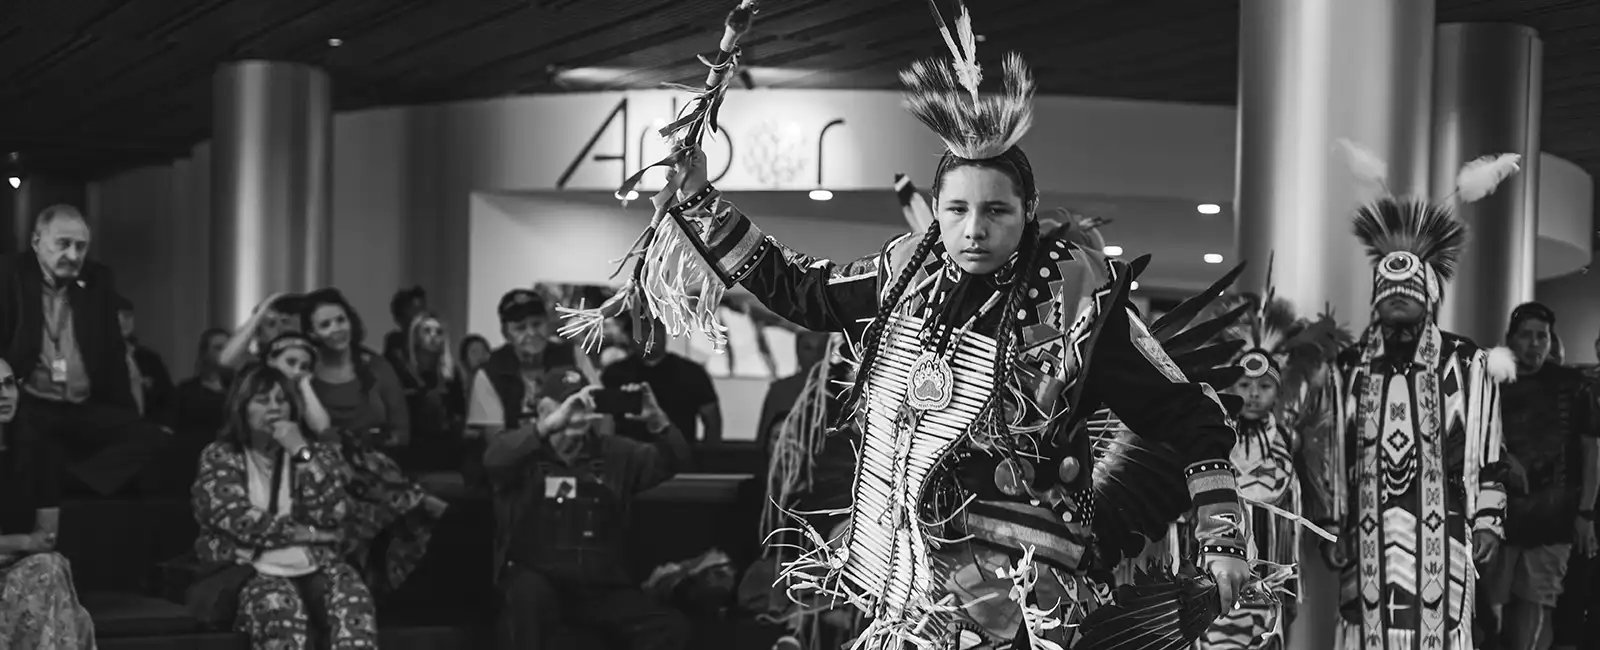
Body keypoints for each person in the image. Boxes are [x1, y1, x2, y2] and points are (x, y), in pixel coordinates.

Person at [558, 4, 1251, 647]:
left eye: (996, 212)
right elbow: (804, 292)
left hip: (1020, 596)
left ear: (1029, 209)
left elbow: (1187, 411)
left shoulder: (1078, 303)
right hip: (903, 581)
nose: (973, 230)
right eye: (956, 211)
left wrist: (1221, 532)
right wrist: (702, 202)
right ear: (938, 208)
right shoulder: (906, 276)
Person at [1317, 141, 1523, 650]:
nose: (1397, 306)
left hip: (1446, 526)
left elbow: (1489, 452)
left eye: (1408, 298)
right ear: (1375, 303)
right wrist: (1331, 521)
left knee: (1440, 628)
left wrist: (1490, 517)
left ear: (1431, 300)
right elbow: (1329, 453)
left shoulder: (1467, 364)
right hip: (1365, 530)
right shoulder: (1348, 369)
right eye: (1388, 300)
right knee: (1366, 629)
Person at [487, 367, 693, 650]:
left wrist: (657, 420)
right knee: (527, 597)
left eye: (583, 403)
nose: (577, 413)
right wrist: (546, 427)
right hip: (540, 584)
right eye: (568, 404)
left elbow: (675, 459)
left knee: (670, 629)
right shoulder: (523, 453)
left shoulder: (615, 454)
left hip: (600, 588)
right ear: (545, 409)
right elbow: (493, 461)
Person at [1198, 288, 1347, 649]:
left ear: (1279, 393)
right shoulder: (1214, 438)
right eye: (1244, 385)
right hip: (1218, 560)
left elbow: (1315, 482)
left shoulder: (1289, 440)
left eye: (1264, 386)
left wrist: (1329, 519)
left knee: (1268, 632)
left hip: (1273, 565)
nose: (1253, 394)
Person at [191, 363, 378, 650]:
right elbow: (237, 520)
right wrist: (313, 534)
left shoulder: (314, 453)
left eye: (282, 401)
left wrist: (300, 453)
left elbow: (334, 511)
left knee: (352, 598)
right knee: (280, 609)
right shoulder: (221, 456)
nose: (275, 409)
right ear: (242, 408)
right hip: (249, 566)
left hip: (313, 563)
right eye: (263, 401)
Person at [0, 204, 168, 497]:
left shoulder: (97, 278)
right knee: (29, 450)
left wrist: (126, 410)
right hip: (32, 402)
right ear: (37, 242)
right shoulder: (9, 275)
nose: (74, 255)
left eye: (81, 246)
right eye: (63, 244)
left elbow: (113, 350)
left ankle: (75, 487)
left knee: (149, 437)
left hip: (83, 403)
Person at [263, 333, 443, 596]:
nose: (297, 371)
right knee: (347, 476)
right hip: (283, 472)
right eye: (290, 362)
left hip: (313, 467)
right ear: (270, 360)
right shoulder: (259, 396)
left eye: (304, 366)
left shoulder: (299, 394)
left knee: (364, 463)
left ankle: (413, 504)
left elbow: (321, 428)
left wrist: (304, 384)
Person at [1486, 303, 1597, 650]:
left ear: (1551, 341)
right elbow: (1466, 437)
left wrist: (1586, 512)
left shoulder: (1573, 385)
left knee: (1537, 606)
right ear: (1510, 340)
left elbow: (1592, 450)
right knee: (1489, 610)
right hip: (1496, 516)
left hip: (1554, 516)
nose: (1535, 344)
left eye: (1542, 336)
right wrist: (1504, 456)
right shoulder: (1488, 381)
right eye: (1526, 335)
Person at [0, 357, 97, 648]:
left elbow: (45, 539)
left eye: (8, 384)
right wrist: (24, 541)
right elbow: (34, 538)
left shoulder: (37, 454)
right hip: (23, 573)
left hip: (22, 572)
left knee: (48, 566)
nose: (3, 394)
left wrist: (15, 545)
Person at [602, 316, 721, 443]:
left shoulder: (692, 372)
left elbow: (711, 419)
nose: (651, 335)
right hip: (629, 456)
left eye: (656, 329)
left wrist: (707, 457)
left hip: (680, 454)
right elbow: (605, 420)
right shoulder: (614, 374)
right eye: (643, 330)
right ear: (630, 337)